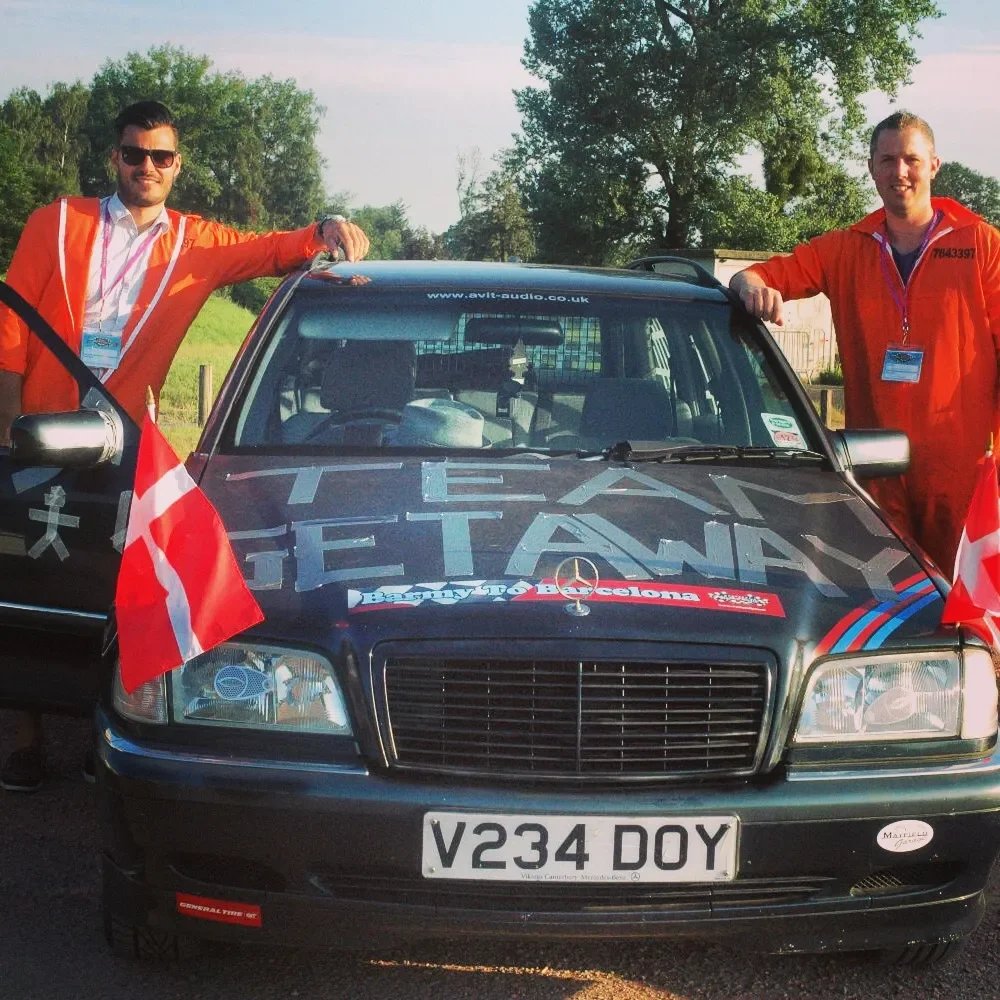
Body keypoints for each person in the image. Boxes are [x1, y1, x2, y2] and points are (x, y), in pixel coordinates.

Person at [0, 99, 370, 792]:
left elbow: (270, 248)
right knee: (30, 574)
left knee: (116, 588)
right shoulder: (57, 223)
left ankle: (98, 725)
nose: (147, 167)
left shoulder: (194, 242)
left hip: (125, 443)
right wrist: (8, 427)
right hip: (40, 433)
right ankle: (24, 736)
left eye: (161, 157)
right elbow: (10, 325)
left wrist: (324, 229)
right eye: (135, 154)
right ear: (115, 159)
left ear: (178, 166)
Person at [730, 110, 1000, 580]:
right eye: (887, 159)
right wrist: (749, 282)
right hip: (874, 462)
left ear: (934, 165)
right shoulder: (845, 247)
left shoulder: (981, 246)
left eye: (911, 160)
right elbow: (763, 274)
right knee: (884, 596)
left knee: (961, 604)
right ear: (872, 167)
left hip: (959, 469)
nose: (900, 172)